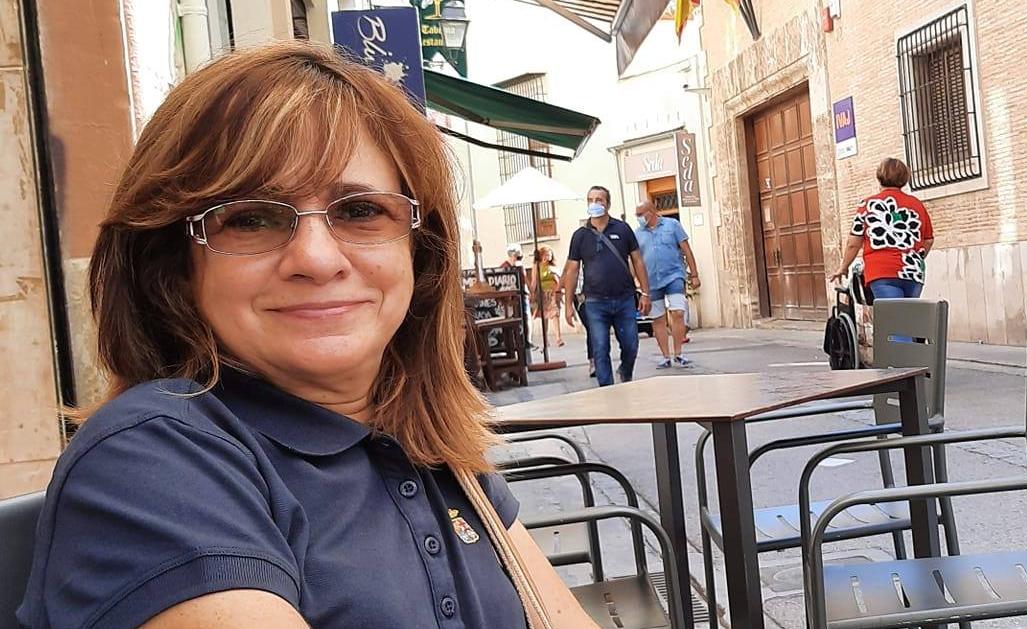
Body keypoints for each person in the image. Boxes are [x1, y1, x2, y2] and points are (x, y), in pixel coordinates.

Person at [17, 42, 596, 628]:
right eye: (251, 218)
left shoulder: (431, 447)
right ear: (174, 267)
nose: (317, 260)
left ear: (420, 254)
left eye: (360, 211)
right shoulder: (151, 462)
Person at [561, 186, 651, 386]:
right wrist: (568, 305)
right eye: (590, 199)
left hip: (624, 298)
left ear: (608, 204)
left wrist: (645, 293)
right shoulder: (580, 235)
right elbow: (572, 270)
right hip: (595, 301)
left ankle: (625, 371)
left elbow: (637, 260)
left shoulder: (622, 229)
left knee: (630, 344)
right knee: (600, 348)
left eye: (599, 199)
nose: (594, 203)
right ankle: (606, 390)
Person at [831, 157, 935, 300]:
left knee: (892, 314)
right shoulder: (917, 205)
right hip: (913, 272)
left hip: (882, 272)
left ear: (880, 177)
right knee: (908, 313)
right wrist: (915, 257)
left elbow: (853, 244)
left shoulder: (867, 205)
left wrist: (843, 267)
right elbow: (928, 240)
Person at [633, 200, 700, 368]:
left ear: (651, 211)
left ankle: (678, 353)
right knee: (658, 318)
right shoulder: (637, 234)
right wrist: (635, 280)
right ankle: (665, 356)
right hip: (651, 280)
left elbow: (686, 249)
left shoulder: (672, 225)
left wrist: (694, 274)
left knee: (678, 312)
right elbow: (634, 259)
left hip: (674, 275)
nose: (638, 218)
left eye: (640, 214)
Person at [531, 246, 565, 347]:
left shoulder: (553, 267)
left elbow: (560, 279)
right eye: (547, 255)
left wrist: (560, 291)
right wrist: (532, 293)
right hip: (542, 294)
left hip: (553, 293)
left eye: (550, 255)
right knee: (544, 316)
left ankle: (558, 338)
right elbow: (534, 281)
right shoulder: (537, 266)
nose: (549, 257)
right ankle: (545, 338)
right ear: (542, 255)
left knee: (555, 314)